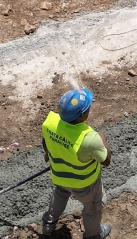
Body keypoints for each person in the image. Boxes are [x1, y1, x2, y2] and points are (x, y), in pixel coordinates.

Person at [40, 88, 113, 238]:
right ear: (82, 115)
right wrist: (103, 139)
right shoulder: (90, 139)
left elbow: (45, 141)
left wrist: (48, 153)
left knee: (60, 195)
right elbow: (106, 161)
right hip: (85, 184)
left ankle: (48, 226)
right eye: (88, 107)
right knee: (92, 207)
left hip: (60, 176)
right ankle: (93, 235)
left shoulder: (51, 122)